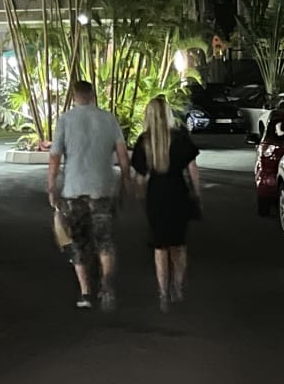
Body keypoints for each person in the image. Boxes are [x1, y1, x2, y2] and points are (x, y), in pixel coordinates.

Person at [47, 79, 129, 310]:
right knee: (104, 241)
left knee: (78, 243)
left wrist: (51, 187)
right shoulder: (109, 119)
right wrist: (125, 182)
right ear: (93, 95)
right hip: (103, 190)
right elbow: (123, 156)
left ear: (74, 96)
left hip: (74, 192)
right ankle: (107, 286)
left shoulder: (65, 120)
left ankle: (85, 293)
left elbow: (54, 158)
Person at [130, 94, 201, 310]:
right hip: (178, 193)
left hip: (156, 196)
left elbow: (139, 177)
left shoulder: (144, 141)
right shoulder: (179, 138)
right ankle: (177, 286)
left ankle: (162, 293)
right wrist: (197, 193)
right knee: (179, 245)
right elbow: (192, 168)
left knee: (159, 246)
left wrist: (140, 196)